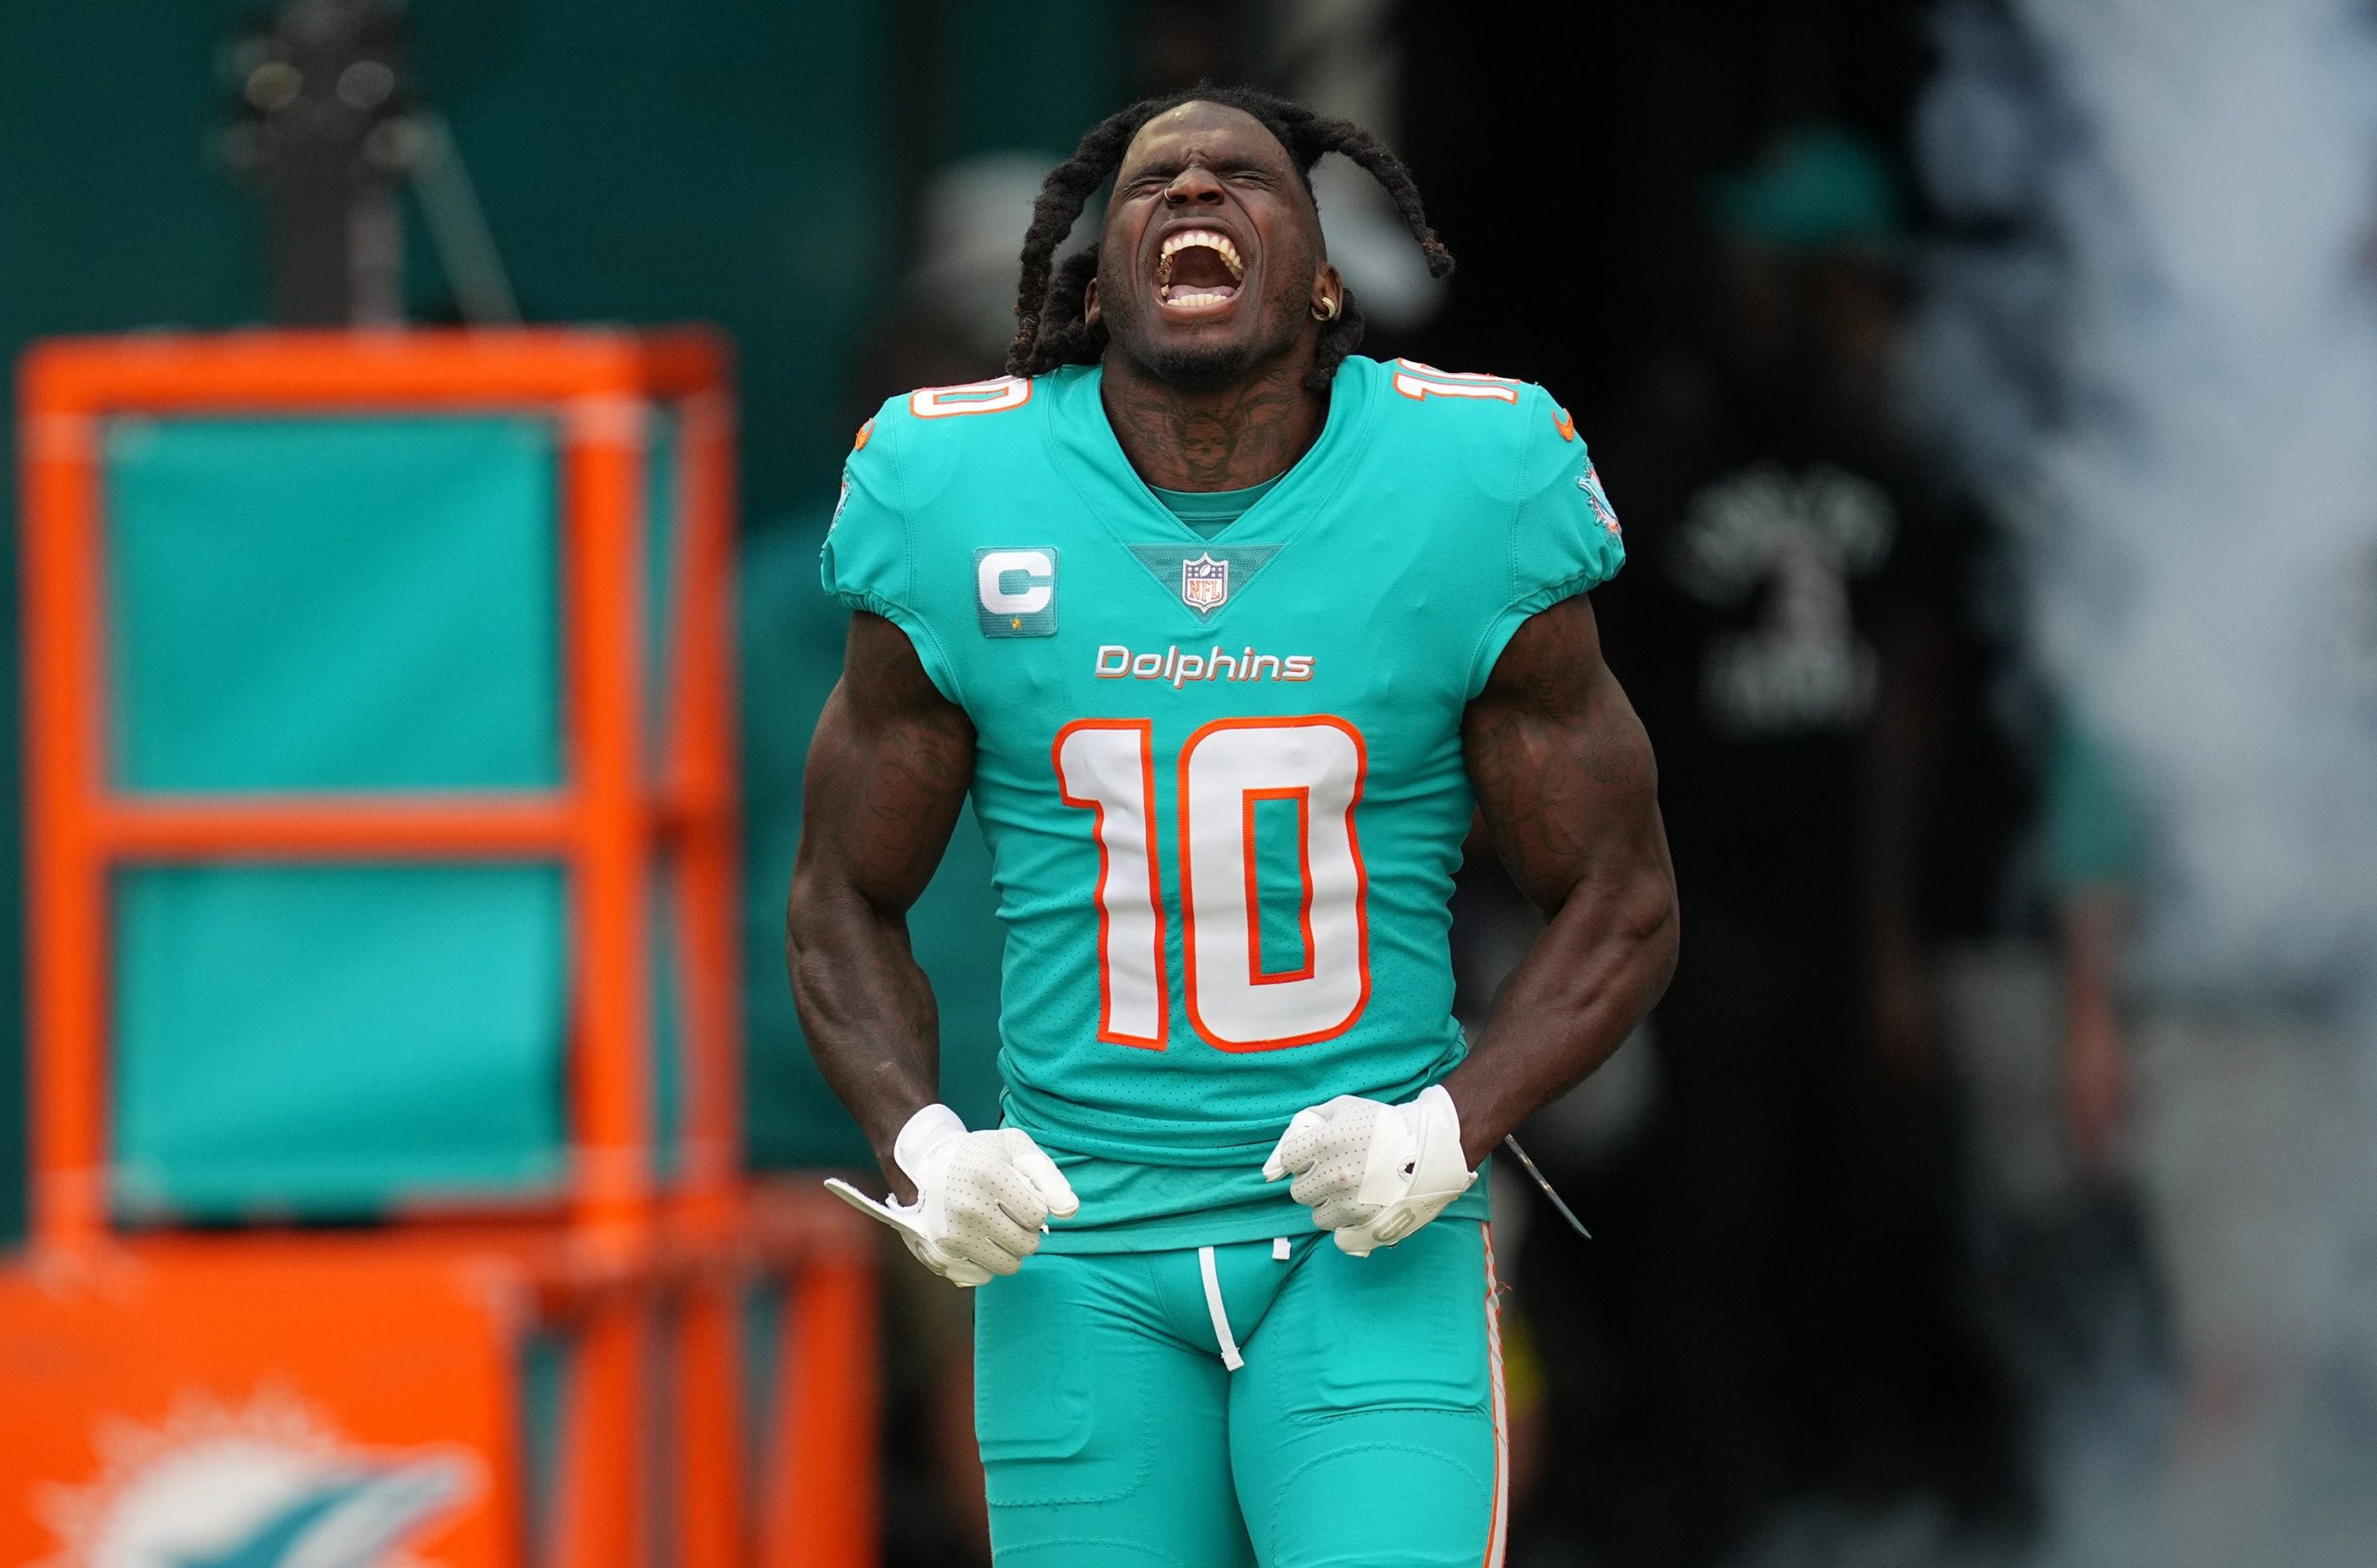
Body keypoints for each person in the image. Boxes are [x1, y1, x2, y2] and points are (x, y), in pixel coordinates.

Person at [786, 84, 1678, 1567]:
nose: (1192, 194)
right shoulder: (958, 490)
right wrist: (928, 1143)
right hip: (1078, 1255)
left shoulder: (1468, 480)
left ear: (1323, 275)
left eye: (1241, 177)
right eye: (1152, 183)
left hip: (1363, 1241)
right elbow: (837, 895)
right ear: (1095, 278)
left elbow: (1624, 894)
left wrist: (1450, 1125)